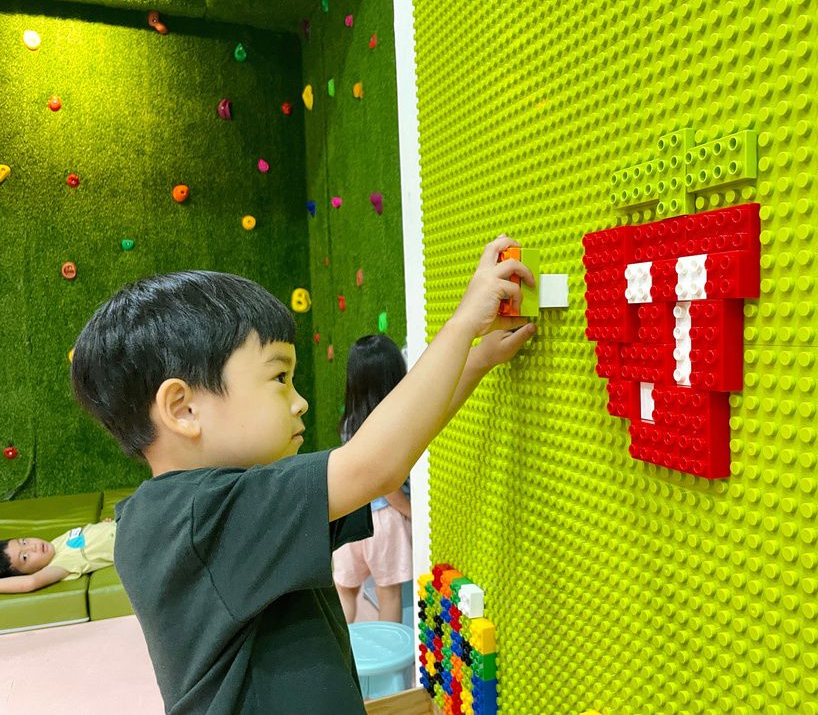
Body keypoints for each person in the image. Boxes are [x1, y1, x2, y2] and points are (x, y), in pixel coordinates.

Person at [69, 235, 536, 714]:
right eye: (279, 378)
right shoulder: (199, 519)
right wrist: (463, 325)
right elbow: (373, 464)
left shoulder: (190, 512)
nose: (300, 402)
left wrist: (477, 360)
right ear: (183, 408)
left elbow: (386, 448)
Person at [332, 335, 413, 623]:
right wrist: (412, 513)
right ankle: (388, 655)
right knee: (388, 595)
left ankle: (341, 648)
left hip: (349, 513)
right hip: (383, 519)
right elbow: (388, 485)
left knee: (345, 590)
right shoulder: (394, 424)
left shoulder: (350, 422)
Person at [0, 520, 116, 594]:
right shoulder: (58, 566)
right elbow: (31, 582)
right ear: (28, 573)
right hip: (122, 538)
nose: (32, 547)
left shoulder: (54, 544)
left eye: (24, 542)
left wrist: (102, 526)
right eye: (25, 557)